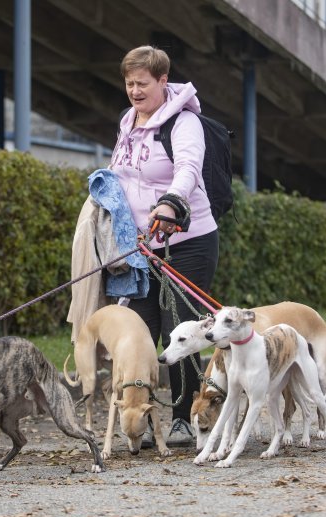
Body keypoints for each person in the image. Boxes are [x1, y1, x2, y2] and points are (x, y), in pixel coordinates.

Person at [109, 45, 219, 447]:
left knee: (180, 332)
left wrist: (172, 202)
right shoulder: (127, 121)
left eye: (142, 83)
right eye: (129, 83)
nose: (135, 91)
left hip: (186, 241)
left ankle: (187, 416)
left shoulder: (184, 122)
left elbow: (188, 168)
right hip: (140, 248)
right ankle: (139, 415)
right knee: (137, 331)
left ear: (162, 80)